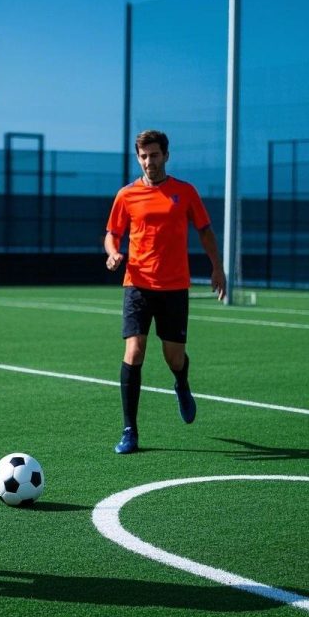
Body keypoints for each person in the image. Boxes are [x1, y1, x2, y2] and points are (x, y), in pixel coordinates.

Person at [104, 130, 226, 454]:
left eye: (154, 155)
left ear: (166, 156)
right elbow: (112, 234)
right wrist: (113, 252)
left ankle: (182, 384)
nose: (149, 162)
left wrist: (217, 267)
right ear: (138, 158)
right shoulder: (126, 195)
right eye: (143, 156)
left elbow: (205, 231)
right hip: (137, 284)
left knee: (174, 357)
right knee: (134, 351)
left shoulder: (184, 192)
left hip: (174, 287)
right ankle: (130, 430)